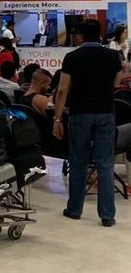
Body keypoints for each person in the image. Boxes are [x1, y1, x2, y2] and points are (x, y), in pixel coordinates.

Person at [53, 19, 122, 227]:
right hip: (105, 112)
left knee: (78, 162)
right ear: (99, 34)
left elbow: (63, 89)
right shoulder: (113, 56)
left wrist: (57, 118)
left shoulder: (72, 57)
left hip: (80, 113)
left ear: (80, 36)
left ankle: (74, 209)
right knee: (105, 164)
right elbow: (116, 83)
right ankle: (107, 215)